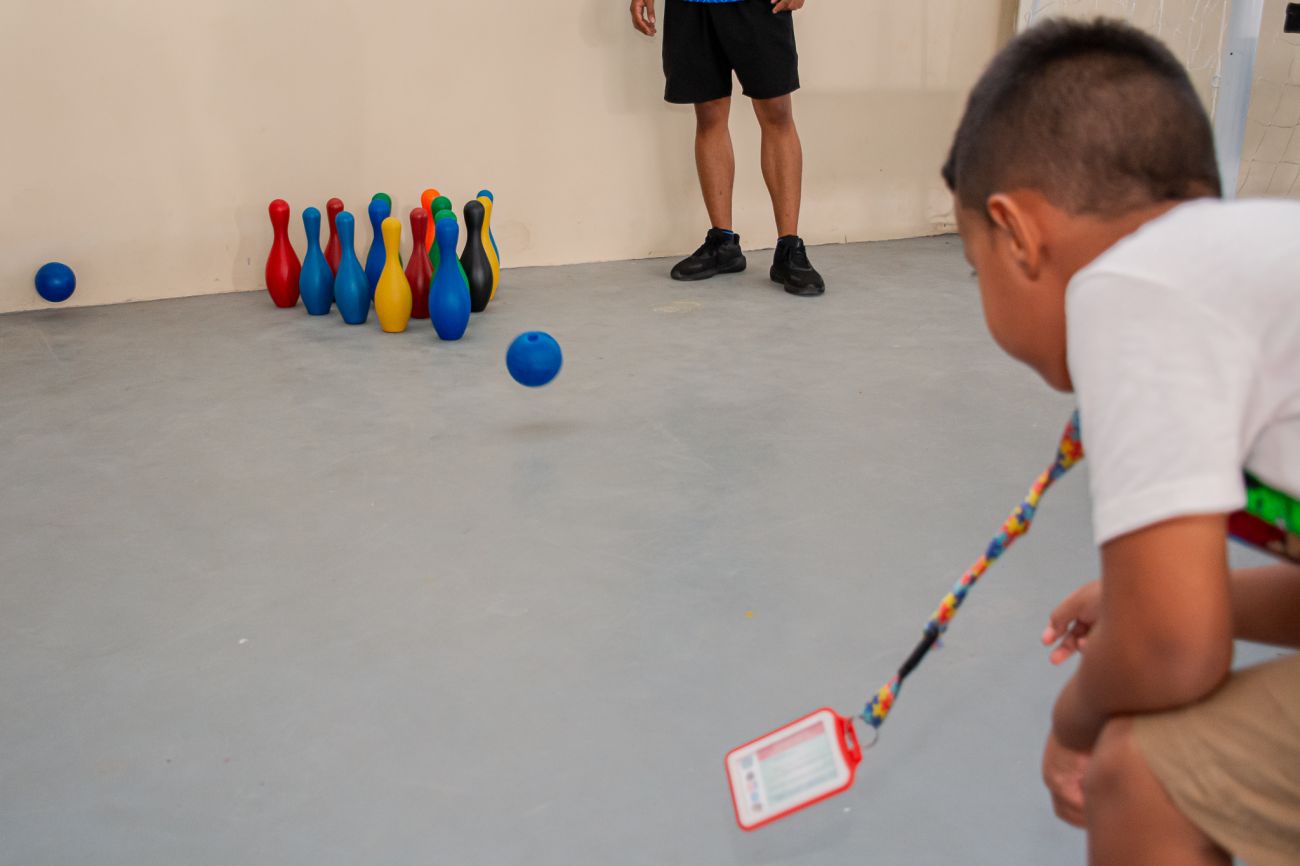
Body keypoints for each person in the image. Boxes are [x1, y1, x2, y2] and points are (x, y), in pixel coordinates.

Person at [944, 18, 1300, 866]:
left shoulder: (1131, 286)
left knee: (1143, 774)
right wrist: (1162, 597)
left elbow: (1174, 651)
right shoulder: (1246, 267)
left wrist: (1074, 723)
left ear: (1017, 234)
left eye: (975, 267)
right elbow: (1179, 621)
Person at [630, 0, 826, 297]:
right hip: (692, 7)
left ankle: (789, 246)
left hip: (758, 6)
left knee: (776, 112)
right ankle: (723, 244)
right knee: (708, 113)